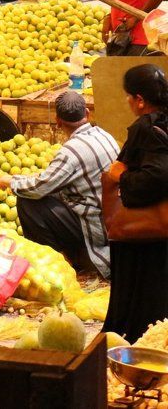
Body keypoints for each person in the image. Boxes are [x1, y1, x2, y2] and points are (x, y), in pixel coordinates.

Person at [0, 91, 117, 278]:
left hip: (95, 227)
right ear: (87, 113)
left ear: (58, 121)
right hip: (110, 219)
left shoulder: (71, 152)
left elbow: (38, 189)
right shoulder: (105, 135)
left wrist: (8, 180)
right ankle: (69, 256)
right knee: (46, 193)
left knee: (28, 201)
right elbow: (50, 181)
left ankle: (55, 263)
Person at [102, 64, 168, 342]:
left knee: (140, 295)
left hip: (143, 236)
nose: (128, 102)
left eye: (129, 96)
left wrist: (122, 176)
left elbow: (158, 175)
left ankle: (137, 343)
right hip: (160, 238)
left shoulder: (148, 127)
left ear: (139, 99)